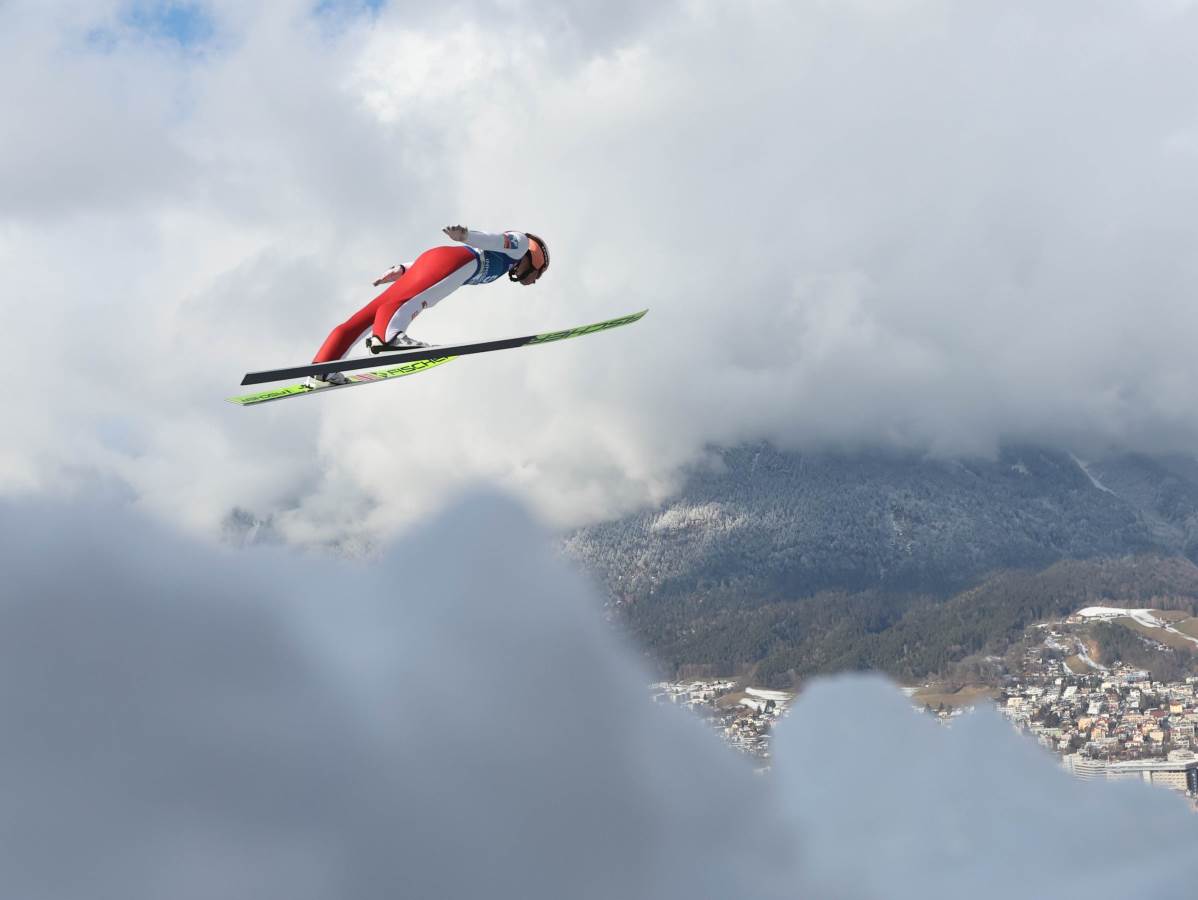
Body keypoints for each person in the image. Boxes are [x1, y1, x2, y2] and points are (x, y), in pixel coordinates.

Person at [308, 226, 550, 386]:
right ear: (536, 257)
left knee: (365, 318)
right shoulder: (519, 244)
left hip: (439, 261)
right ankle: (388, 337)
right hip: (457, 261)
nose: (535, 279)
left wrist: (403, 269)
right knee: (416, 300)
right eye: (539, 273)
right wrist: (466, 235)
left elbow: (432, 263)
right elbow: (494, 240)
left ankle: (324, 366)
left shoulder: (506, 264)